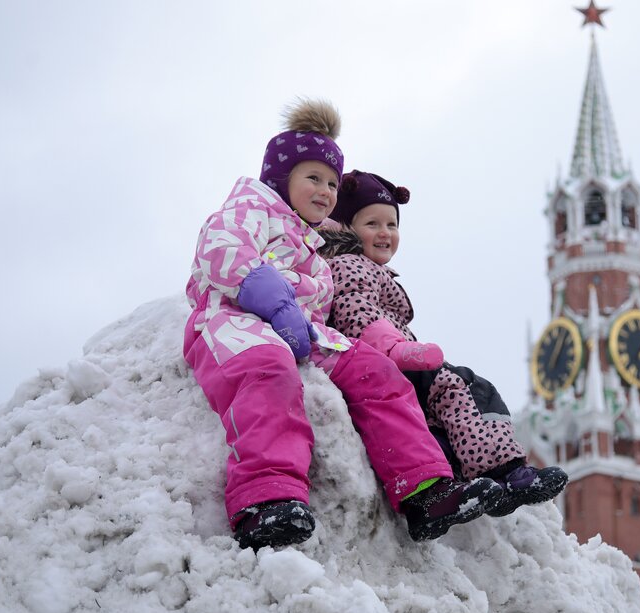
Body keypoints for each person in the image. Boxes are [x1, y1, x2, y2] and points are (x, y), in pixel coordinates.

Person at [183, 100, 502, 550]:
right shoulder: (252, 206)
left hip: (302, 333)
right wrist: (272, 298)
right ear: (281, 178)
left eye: (332, 182)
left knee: (376, 372)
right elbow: (221, 248)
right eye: (312, 177)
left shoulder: (314, 245)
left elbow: (322, 301)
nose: (325, 190)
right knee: (268, 372)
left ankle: (423, 488)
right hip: (234, 320)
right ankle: (266, 498)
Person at [320, 170, 568, 518]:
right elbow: (356, 314)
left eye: (392, 225)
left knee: (442, 410)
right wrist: (400, 351)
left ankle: (480, 476)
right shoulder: (349, 265)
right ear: (345, 227)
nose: (384, 233)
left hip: (390, 359)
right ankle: (503, 470)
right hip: (382, 360)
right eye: (372, 223)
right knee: (462, 385)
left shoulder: (365, 267)